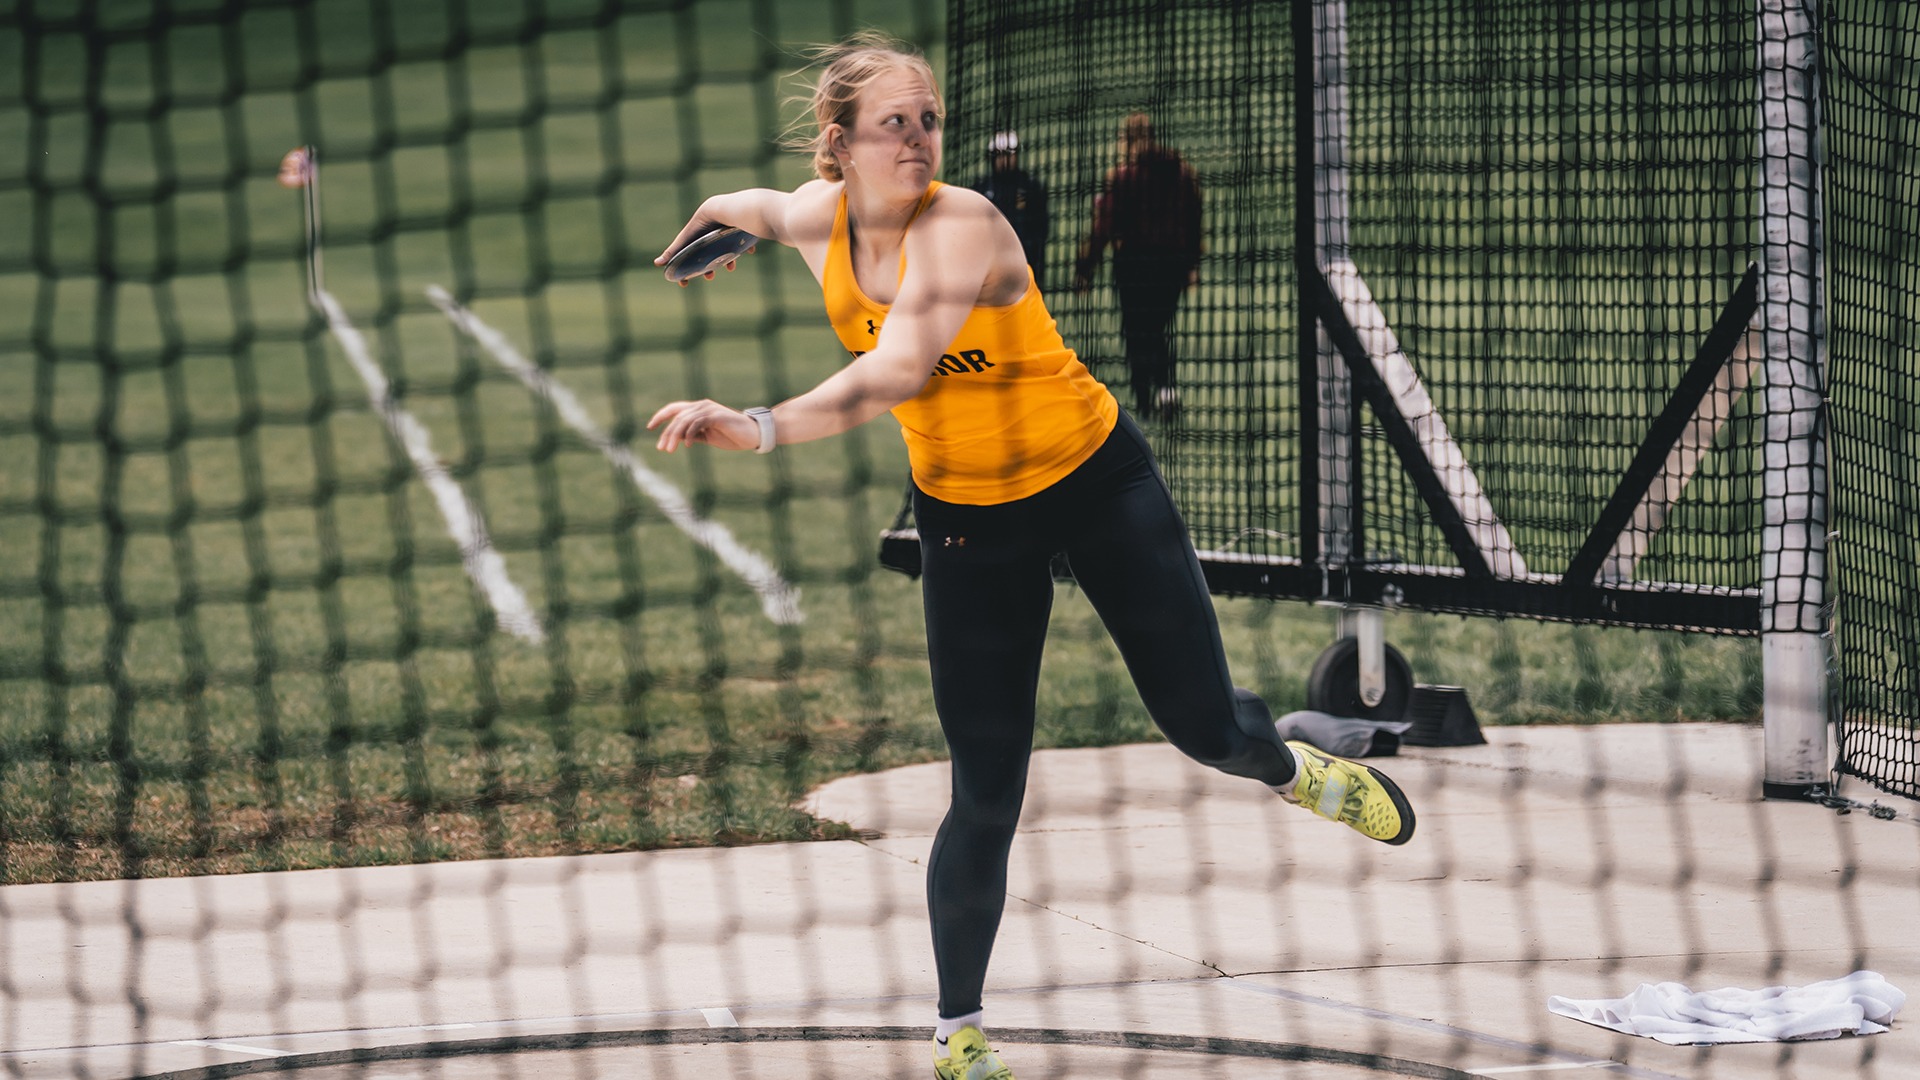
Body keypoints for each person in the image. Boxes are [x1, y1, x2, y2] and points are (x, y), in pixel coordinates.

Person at [648, 32, 1414, 1080]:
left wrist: (760, 425)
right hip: (969, 520)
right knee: (985, 789)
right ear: (840, 142)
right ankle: (959, 1035)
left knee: (1204, 729)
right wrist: (711, 233)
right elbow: (753, 206)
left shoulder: (963, 224)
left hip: (1097, 485)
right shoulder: (817, 217)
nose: (919, 140)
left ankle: (1293, 769)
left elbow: (897, 370)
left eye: (929, 120)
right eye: (893, 124)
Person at [1074, 112, 1204, 421]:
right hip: (1171, 266)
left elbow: (1103, 226)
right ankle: (1165, 390)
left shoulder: (1124, 178)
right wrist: (1191, 264)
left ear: (1129, 141)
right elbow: (1194, 219)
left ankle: (1145, 398)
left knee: (1137, 332)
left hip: (1133, 266)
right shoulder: (1180, 172)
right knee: (1156, 329)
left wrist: (1085, 268)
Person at [969, 130, 1049, 286]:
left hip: (1026, 264)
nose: (1004, 159)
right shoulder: (980, 190)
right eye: (998, 155)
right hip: (990, 267)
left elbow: (1041, 229)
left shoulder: (1031, 188)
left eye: (1008, 154)